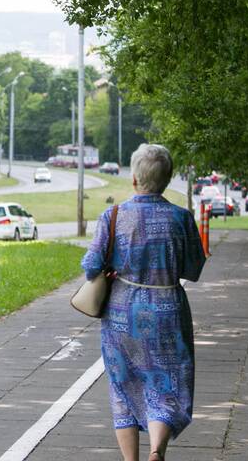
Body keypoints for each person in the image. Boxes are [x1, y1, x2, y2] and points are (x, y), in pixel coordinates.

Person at [81, 143, 206, 461]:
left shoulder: (113, 215)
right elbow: (194, 269)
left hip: (122, 316)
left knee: (123, 386)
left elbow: (91, 265)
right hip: (169, 313)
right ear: (167, 179)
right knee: (166, 383)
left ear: (134, 178)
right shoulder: (182, 218)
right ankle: (156, 450)